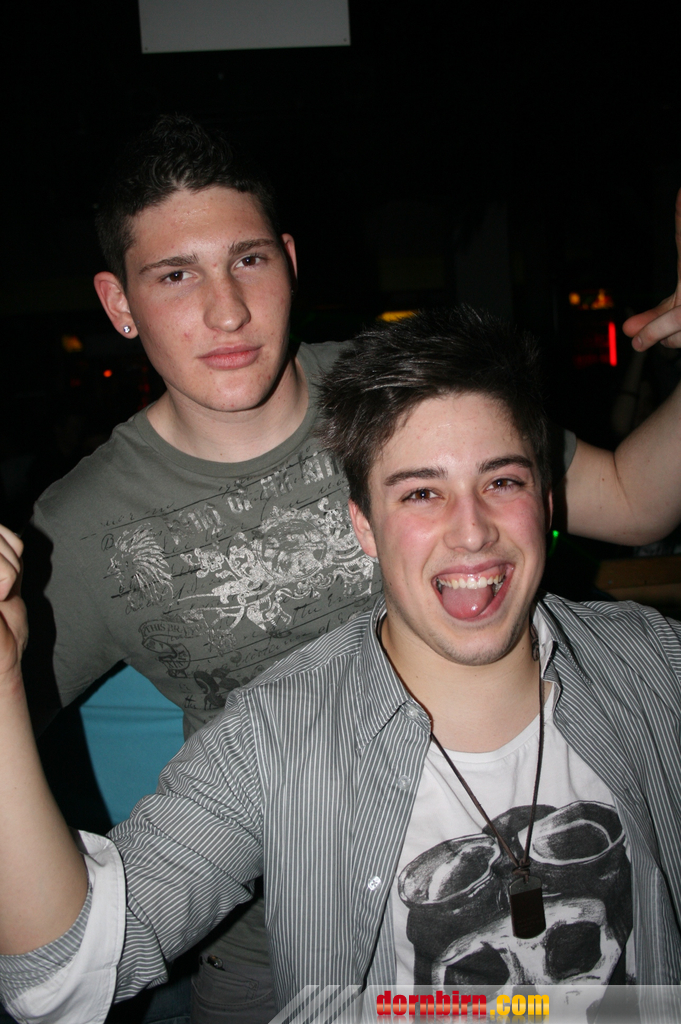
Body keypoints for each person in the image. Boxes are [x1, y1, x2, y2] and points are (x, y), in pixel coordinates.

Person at [20, 113, 681, 1022]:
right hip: (280, 949)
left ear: (289, 261)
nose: (226, 309)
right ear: (118, 303)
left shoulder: (406, 402)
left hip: (549, 863)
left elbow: (633, 499)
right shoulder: (78, 528)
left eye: (248, 259)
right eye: (175, 275)